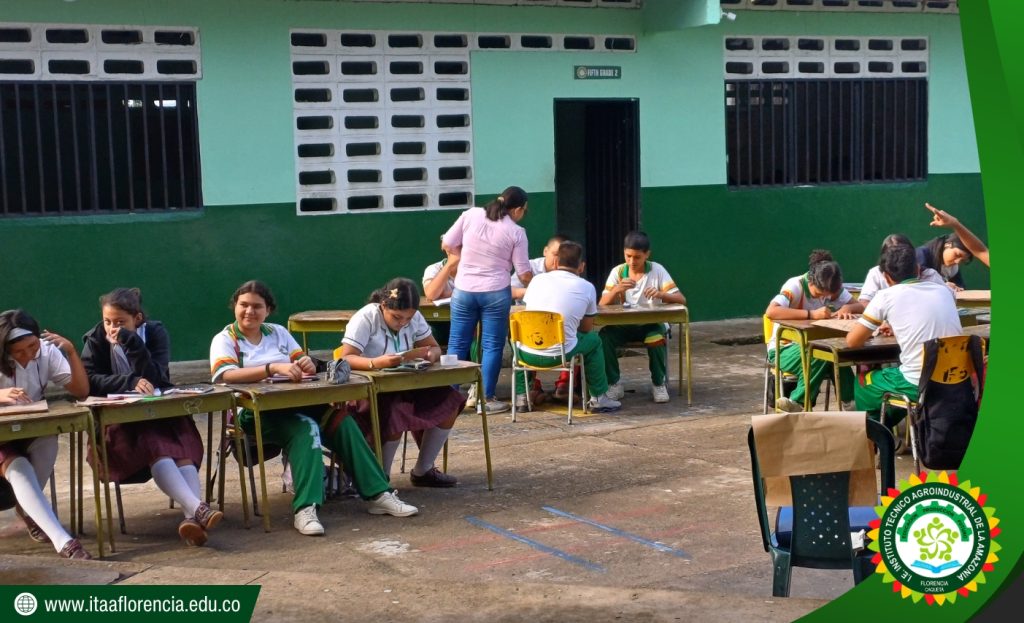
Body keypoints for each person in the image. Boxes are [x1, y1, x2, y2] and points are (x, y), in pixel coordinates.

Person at [210, 281, 417, 536]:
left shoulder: (278, 333)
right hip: (254, 413)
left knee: (342, 420)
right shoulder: (225, 339)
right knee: (305, 428)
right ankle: (305, 509)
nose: (249, 311)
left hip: (296, 403)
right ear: (235, 306)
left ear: (268, 310)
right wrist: (271, 368)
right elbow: (225, 375)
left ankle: (379, 494)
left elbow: (301, 360)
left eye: (257, 306)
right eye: (244, 305)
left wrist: (305, 364)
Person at [81, 288, 220, 547]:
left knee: (180, 448)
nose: (112, 328)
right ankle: (198, 509)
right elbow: (89, 380)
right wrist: (129, 382)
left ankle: (191, 519)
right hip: (121, 425)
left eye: (120, 322)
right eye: (108, 321)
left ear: (138, 319)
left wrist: (133, 342)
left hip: (160, 415)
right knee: (156, 446)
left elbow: (157, 376)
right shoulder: (96, 338)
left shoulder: (155, 333)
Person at [339, 278, 465, 486]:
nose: (403, 323)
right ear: (383, 305)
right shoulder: (366, 317)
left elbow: (433, 347)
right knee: (397, 413)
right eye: (397, 317)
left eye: (408, 318)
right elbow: (346, 358)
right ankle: (381, 478)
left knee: (450, 402)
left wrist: (430, 355)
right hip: (371, 391)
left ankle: (423, 470)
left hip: (407, 384)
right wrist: (375, 363)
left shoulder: (414, 318)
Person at [0, 309, 92, 559]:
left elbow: (81, 390)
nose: (28, 355)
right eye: (19, 351)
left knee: (49, 440)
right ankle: (64, 541)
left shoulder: (47, 351)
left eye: (32, 346)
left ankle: (29, 510)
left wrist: (71, 352)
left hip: (30, 428)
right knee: (18, 466)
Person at [442, 186, 533, 414]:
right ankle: (486, 399)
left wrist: (466, 259)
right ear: (518, 209)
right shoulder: (517, 232)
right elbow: (523, 273)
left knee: (456, 343)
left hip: (463, 290)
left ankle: (447, 402)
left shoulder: (471, 214)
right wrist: (538, 283)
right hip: (496, 292)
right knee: (492, 345)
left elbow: (448, 243)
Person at [847, 245, 962, 423]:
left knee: (863, 383)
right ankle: (898, 431)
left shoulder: (885, 296)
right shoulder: (944, 290)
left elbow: (852, 341)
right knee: (897, 381)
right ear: (918, 268)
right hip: (957, 379)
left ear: (886, 277)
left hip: (918, 383)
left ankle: (877, 435)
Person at [516, 241, 621, 413]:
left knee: (517, 339)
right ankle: (598, 398)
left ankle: (521, 397)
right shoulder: (587, 287)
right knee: (594, 341)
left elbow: (532, 313)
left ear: (556, 263)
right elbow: (586, 329)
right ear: (581, 266)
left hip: (526, 354)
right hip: (561, 355)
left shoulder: (536, 280)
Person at [764, 250, 858, 413]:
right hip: (784, 349)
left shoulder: (832, 286)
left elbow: (861, 306)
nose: (823, 298)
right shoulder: (794, 286)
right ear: (811, 281)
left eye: (828, 296)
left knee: (836, 353)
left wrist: (848, 308)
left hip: (814, 346)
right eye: (819, 294)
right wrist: (811, 314)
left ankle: (852, 404)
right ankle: (799, 401)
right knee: (822, 352)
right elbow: (771, 312)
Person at [598, 231, 686, 404]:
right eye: (628, 256)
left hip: (651, 325)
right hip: (623, 326)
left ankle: (659, 384)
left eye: (637, 257)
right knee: (604, 337)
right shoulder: (618, 272)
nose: (632, 261)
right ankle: (614, 383)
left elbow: (681, 299)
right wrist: (616, 290)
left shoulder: (657, 270)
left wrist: (661, 294)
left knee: (656, 338)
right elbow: (601, 304)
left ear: (647, 255)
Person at [848, 234, 946, 313]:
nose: (898, 257)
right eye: (892, 254)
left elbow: (945, 301)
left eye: (902, 253)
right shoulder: (876, 273)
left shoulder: (930, 275)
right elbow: (865, 302)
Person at [925, 202, 990, 267]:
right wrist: (955, 224)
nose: (957, 262)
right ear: (947, 245)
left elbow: (981, 251)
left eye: (962, 260)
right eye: (958, 255)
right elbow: (981, 251)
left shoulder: (952, 269)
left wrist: (955, 224)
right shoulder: (922, 257)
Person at [510, 235, 566, 302]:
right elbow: (508, 291)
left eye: (563, 257)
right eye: (555, 254)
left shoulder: (570, 270)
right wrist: (533, 292)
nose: (558, 260)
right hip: (526, 307)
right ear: (545, 251)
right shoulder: (529, 266)